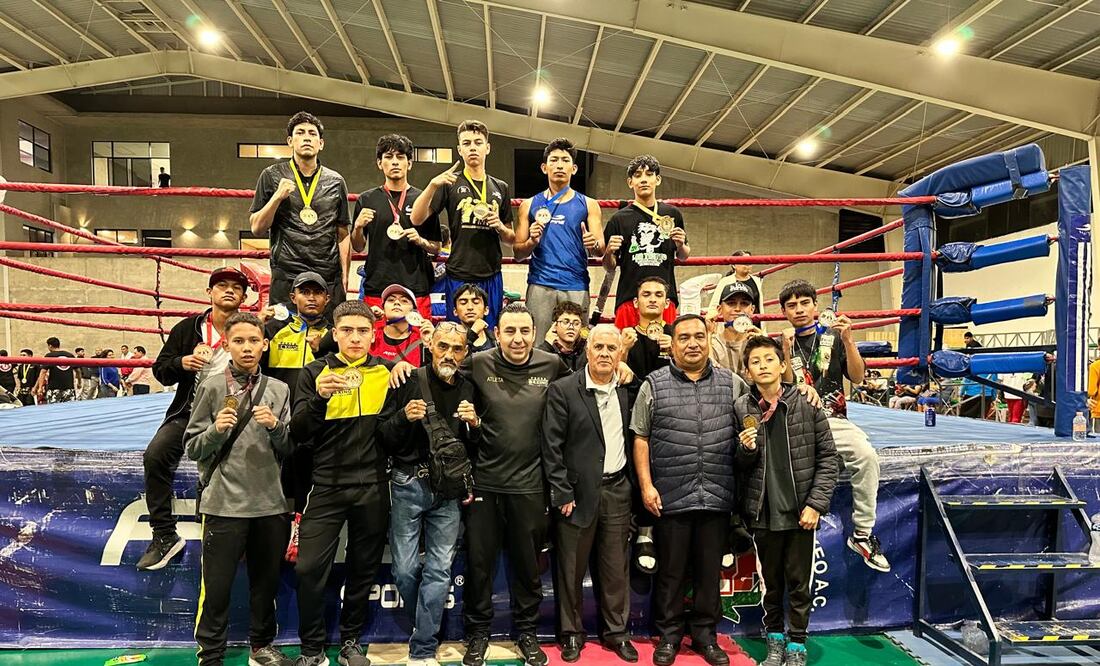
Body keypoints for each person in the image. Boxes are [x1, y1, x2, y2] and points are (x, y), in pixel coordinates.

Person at [631, 315, 747, 666]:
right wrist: (647, 485)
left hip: (716, 493)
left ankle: (705, 637)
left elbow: (751, 428)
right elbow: (640, 436)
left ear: (708, 337)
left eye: (699, 336)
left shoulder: (733, 384)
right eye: (684, 337)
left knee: (709, 572)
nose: (693, 343)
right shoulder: (653, 383)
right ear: (673, 342)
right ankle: (668, 637)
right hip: (670, 494)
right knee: (671, 571)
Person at [289, 300, 398, 666]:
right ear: (334, 334)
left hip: (372, 486)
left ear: (373, 335)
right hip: (326, 485)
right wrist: (319, 398)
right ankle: (312, 648)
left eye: (362, 331)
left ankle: (351, 640)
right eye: (347, 331)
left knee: (363, 568)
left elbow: (397, 434)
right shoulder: (313, 372)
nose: (355, 338)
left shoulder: (388, 372)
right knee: (307, 569)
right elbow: (300, 432)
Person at [460, 303, 569, 666]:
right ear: (497, 334)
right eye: (510, 331)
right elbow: (441, 375)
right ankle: (477, 635)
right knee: (479, 566)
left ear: (535, 334)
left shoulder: (551, 365)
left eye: (525, 331)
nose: (518, 339)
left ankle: (527, 634)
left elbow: (579, 393)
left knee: (527, 567)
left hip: (530, 486)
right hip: (485, 485)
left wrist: (621, 367)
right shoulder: (478, 363)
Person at [184, 312, 293, 666]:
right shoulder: (212, 387)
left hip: (269, 504)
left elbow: (290, 447)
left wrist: (276, 426)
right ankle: (210, 654)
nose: (247, 348)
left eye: (253, 341)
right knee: (216, 588)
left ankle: (261, 647)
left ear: (265, 344)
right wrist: (216, 430)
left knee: (265, 585)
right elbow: (193, 447)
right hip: (224, 504)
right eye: (239, 341)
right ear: (227, 344)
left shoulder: (279, 390)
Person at [378, 322, 480, 666]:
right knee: (405, 571)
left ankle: (422, 647)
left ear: (465, 352)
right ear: (429, 345)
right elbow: (383, 436)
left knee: (439, 570)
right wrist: (403, 418)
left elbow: (477, 447)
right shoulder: (406, 379)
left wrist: (476, 425)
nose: (449, 354)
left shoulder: (469, 387)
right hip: (407, 483)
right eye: (443, 347)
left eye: (456, 348)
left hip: (448, 492)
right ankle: (424, 625)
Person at [734, 336, 838, 666]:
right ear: (747, 370)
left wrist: (815, 504)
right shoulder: (741, 408)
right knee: (772, 583)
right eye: (755, 361)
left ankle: (797, 642)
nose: (763, 366)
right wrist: (744, 450)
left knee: (798, 583)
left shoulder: (807, 403)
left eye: (769, 360)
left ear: (782, 365)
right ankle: (774, 639)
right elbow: (737, 466)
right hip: (763, 512)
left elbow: (829, 458)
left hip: (799, 513)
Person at [137, 267, 248, 571]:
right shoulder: (188, 329)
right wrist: (181, 362)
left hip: (237, 414)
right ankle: (163, 536)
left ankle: (227, 538)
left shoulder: (249, 330)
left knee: (230, 466)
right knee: (155, 455)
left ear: (244, 296)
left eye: (236, 287)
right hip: (189, 412)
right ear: (209, 292)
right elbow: (161, 370)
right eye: (221, 285)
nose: (228, 291)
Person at [778, 279, 890, 573]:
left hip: (833, 419)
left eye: (804, 303)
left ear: (815, 306)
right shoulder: (783, 342)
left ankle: (863, 535)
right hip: (796, 421)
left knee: (866, 456)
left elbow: (857, 377)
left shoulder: (834, 337)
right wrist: (785, 352)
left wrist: (851, 341)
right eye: (792, 305)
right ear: (784, 312)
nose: (799, 310)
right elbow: (786, 385)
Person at [542, 325, 638, 664]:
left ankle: (616, 633)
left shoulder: (629, 388)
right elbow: (551, 447)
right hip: (575, 494)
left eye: (612, 348)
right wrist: (561, 491)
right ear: (587, 349)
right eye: (598, 346)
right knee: (569, 569)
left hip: (617, 490)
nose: (604, 353)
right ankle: (571, 634)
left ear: (619, 354)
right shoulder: (563, 389)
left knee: (615, 570)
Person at [411, 120, 514, 327]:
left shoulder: (500, 187)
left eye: (478, 142)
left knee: (492, 333)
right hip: (459, 272)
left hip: (491, 273)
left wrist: (500, 226)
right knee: (456, 334)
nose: (473, 147)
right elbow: (416, 218)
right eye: (467, 143)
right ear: (460, 149)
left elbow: (511, 238)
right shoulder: (449, 182)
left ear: (488, 147)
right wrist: (432, 185)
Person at [249, 111, 352, 309]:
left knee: (328, 337)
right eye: (300, 133)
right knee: (284, 334)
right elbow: (256, 228)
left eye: (312, 134)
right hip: (287, 273)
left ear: (321, 143)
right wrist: (277, 197)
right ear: (290, 141)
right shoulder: (271, 175)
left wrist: (344, 276)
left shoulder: (336, 181)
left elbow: (342, 233)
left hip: (327, 273)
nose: (306, 137)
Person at [260, 271, 335, 524]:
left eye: (317, 293)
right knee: (276, 487)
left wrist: (325, 345)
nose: (311, 298)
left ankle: (303, 531)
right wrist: (259, 324)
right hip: (278, 420)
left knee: (311, 489)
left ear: (327, 298)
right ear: (293, 297)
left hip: (320, 422)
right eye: (305, 292)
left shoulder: (338, 334)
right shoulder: (273, 329)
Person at [513, 137, 603, 338]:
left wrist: (593, 243)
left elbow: (600, 249)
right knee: (536, 344)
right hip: (540, 283)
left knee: (578, 344)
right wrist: (531, 242)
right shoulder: (528, 205)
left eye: (565, 160)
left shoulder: (589, 204)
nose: (559, 165)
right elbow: (518, 253)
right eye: (554, 160)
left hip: (576, 283)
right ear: (545, 168)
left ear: (574, 168)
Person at [352, 134, 441, 320]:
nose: (394, 162)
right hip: (378, 285)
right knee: (376, 344)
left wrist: (420, 240)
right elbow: (358, 246)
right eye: (388, 157)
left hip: (415, 286)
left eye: (400, 157)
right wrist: (358, 227)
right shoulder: (367, 199)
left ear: (409, 163)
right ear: (379, 163)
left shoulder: (423, 200)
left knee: (418, 344)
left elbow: (436, 247)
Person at [603, 155, 690, 330]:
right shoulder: (618, 219)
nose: (643, 179)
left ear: (657, 179)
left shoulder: (672, 214)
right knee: (627, 351)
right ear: (630, 182)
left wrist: (681, 244)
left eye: (649, 174)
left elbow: (683, 256)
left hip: (663, 297)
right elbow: (609, 266)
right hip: (629, 296)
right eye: (637, 175)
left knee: (664, 351)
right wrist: (609, 252)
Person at [705, 281, 763, 377]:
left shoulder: (757, 340)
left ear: (752, 309)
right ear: (719, 309)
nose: (737, 308)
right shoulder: (712, 343)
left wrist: (763, 345)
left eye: (744, 303)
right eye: (731, 303)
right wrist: (707, 333)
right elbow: (708, 374)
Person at [370, 284, 434, 368]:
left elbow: (430, 376)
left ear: (414, 311)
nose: (396, 303)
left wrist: (432, 342)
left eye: (404, 301)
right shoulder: (371, 334)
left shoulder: (421, 339)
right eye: (391, 300)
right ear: (383, 308)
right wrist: (366, 318)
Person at [536, 301, 588, 374]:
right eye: (566, 322)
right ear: (554, 325)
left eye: (576, 323)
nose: (571, 327)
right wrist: (547, 345)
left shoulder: (586, 353)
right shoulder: (544, 351)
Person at [706, 250, 763, 315]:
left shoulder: (756, 280)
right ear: (733, 265)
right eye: (744, 261)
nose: (747, 264)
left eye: (750, 262)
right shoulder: (725, 281)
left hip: (754, 321)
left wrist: (763, 323)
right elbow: (714, 304)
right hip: (733, 320)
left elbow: (759, 305)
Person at [452, 283, 496, 353]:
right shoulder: (449, 337)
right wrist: (473, 333)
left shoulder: (496, 339)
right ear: (455, 311)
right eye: (463, 303)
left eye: (476, 302)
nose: (470, 307)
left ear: (486, 310)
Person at [34, 337, 76, 404]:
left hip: (54, 389)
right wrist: (79, 382)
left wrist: (40, 387)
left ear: (50, 346)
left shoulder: (50, 355)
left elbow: (43, 372)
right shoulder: (69, 355)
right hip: (69, 388)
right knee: (69, 410)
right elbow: (78, 370)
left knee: (54, 410)